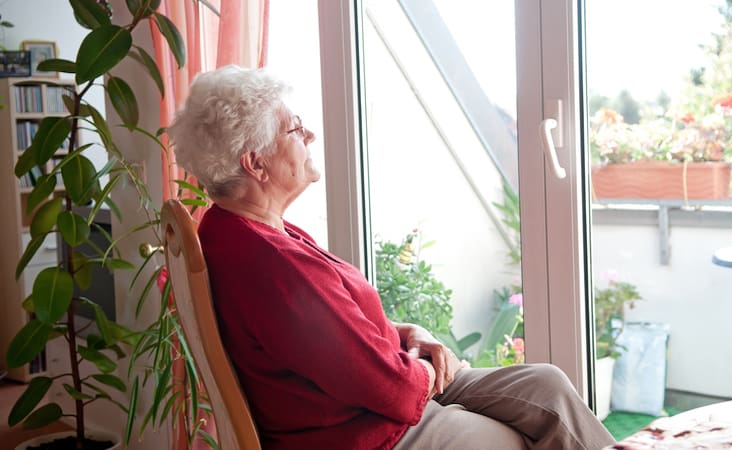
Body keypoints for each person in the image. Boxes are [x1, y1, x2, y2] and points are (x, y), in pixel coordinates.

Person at [169, 65, 616, 450]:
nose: (310, 134)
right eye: (295, 128)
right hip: (368, 431)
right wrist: (423, 365)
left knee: (548, 384)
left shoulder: (234, 228)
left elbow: (328, 339)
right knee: (526, 438)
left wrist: (407, 334)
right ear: (256, 163)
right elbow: (395, 392)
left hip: (378, 395)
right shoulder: (271, 265)